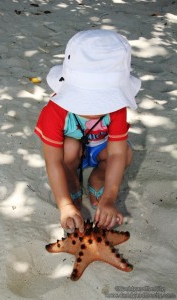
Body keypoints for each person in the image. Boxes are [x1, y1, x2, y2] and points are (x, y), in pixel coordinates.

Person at [34, 29, 141, 233]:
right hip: (70, 154)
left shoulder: (117, 109)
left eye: (102, 101)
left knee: (126, 152)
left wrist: (110, 197)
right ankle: (73, 181)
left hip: (102, 149)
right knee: (70, 147)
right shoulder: (54, 111)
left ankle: (98, 178)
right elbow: (53, 161)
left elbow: (117, 154)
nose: (95, 108)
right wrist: (64, 205)